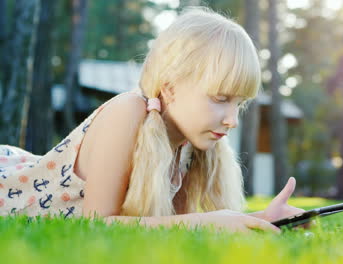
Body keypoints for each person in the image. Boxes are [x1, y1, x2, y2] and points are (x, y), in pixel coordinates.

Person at [0, 6, 311, 233]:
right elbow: (95, 224)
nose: (232, 120)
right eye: (220, 99)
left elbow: (170, 226)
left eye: (239, 104)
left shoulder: (188, 144)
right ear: (171, 88)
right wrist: (210, 223)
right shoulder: (128, 112)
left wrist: (260, 219)